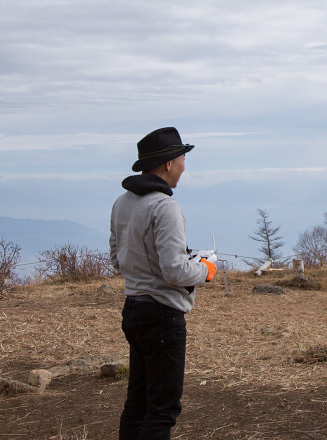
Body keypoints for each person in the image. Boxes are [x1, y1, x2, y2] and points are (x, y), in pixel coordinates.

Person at [109, 127, 216, 440]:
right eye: (182, 158)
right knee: (163, 410)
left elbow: (118, 260)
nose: (184, 165)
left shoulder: (122, 203)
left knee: (138, 402)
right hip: (162, 316)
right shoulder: (164, 207)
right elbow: (175, 273)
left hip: (133, 309)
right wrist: (206, 269)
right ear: (169, 163)